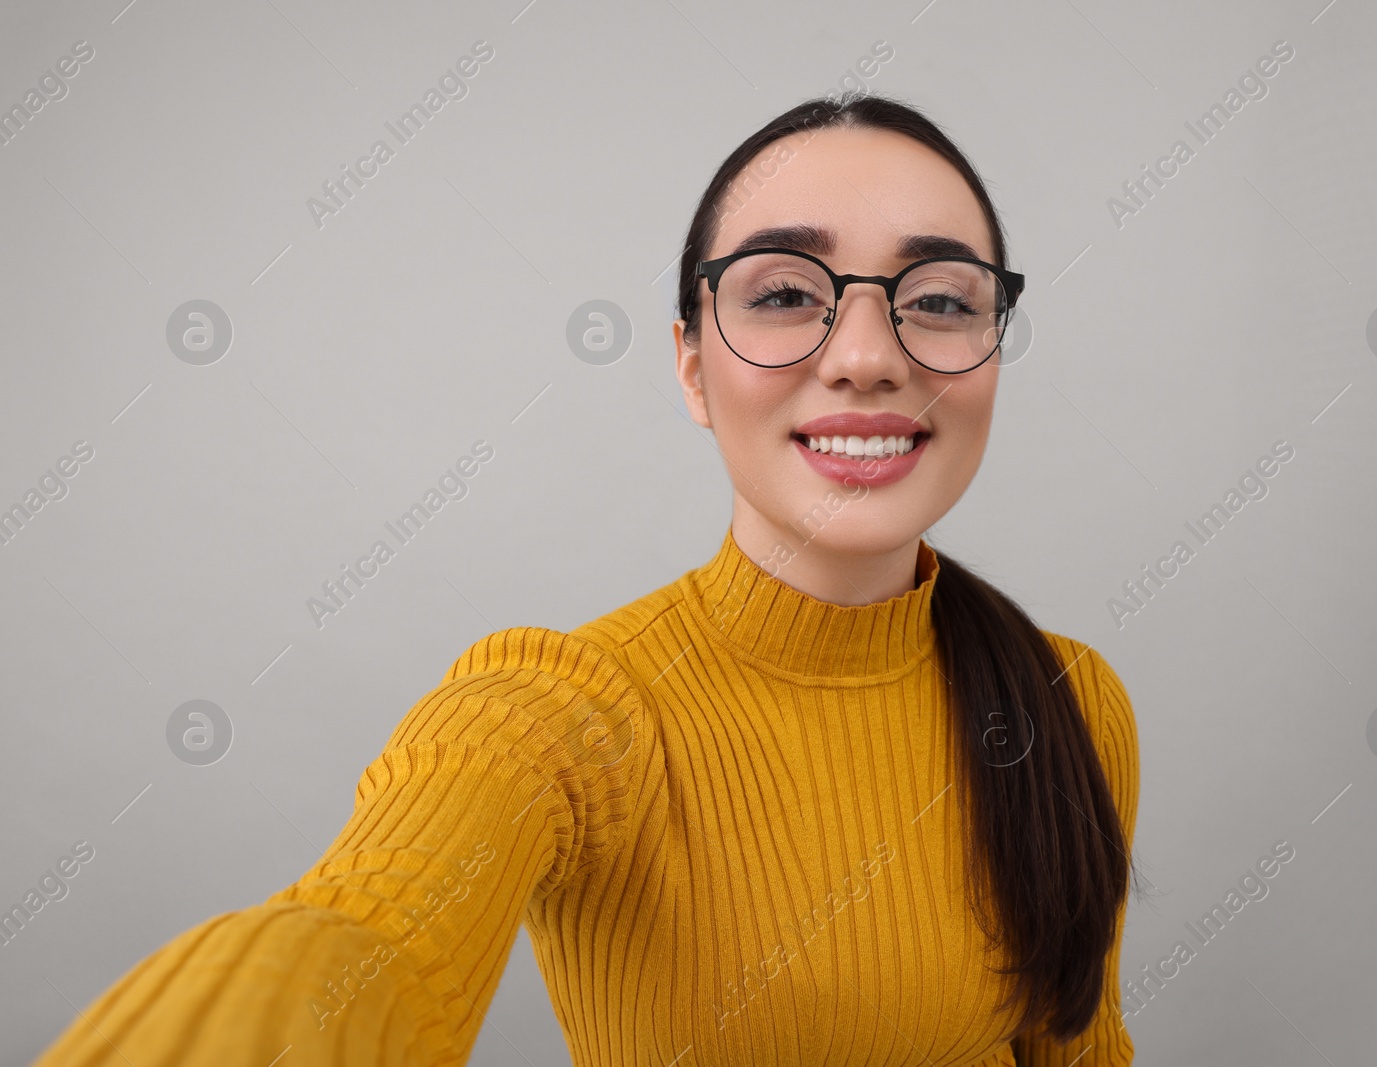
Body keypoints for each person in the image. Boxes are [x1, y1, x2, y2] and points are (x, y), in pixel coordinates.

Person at [35, 93, 1144, 1067]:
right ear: (691, 367)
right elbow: (363, 938)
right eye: (782, 294)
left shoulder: (1066, 697)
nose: (865, 353)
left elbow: (1081, 1046)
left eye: (942, 299)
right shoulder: (576, 708)